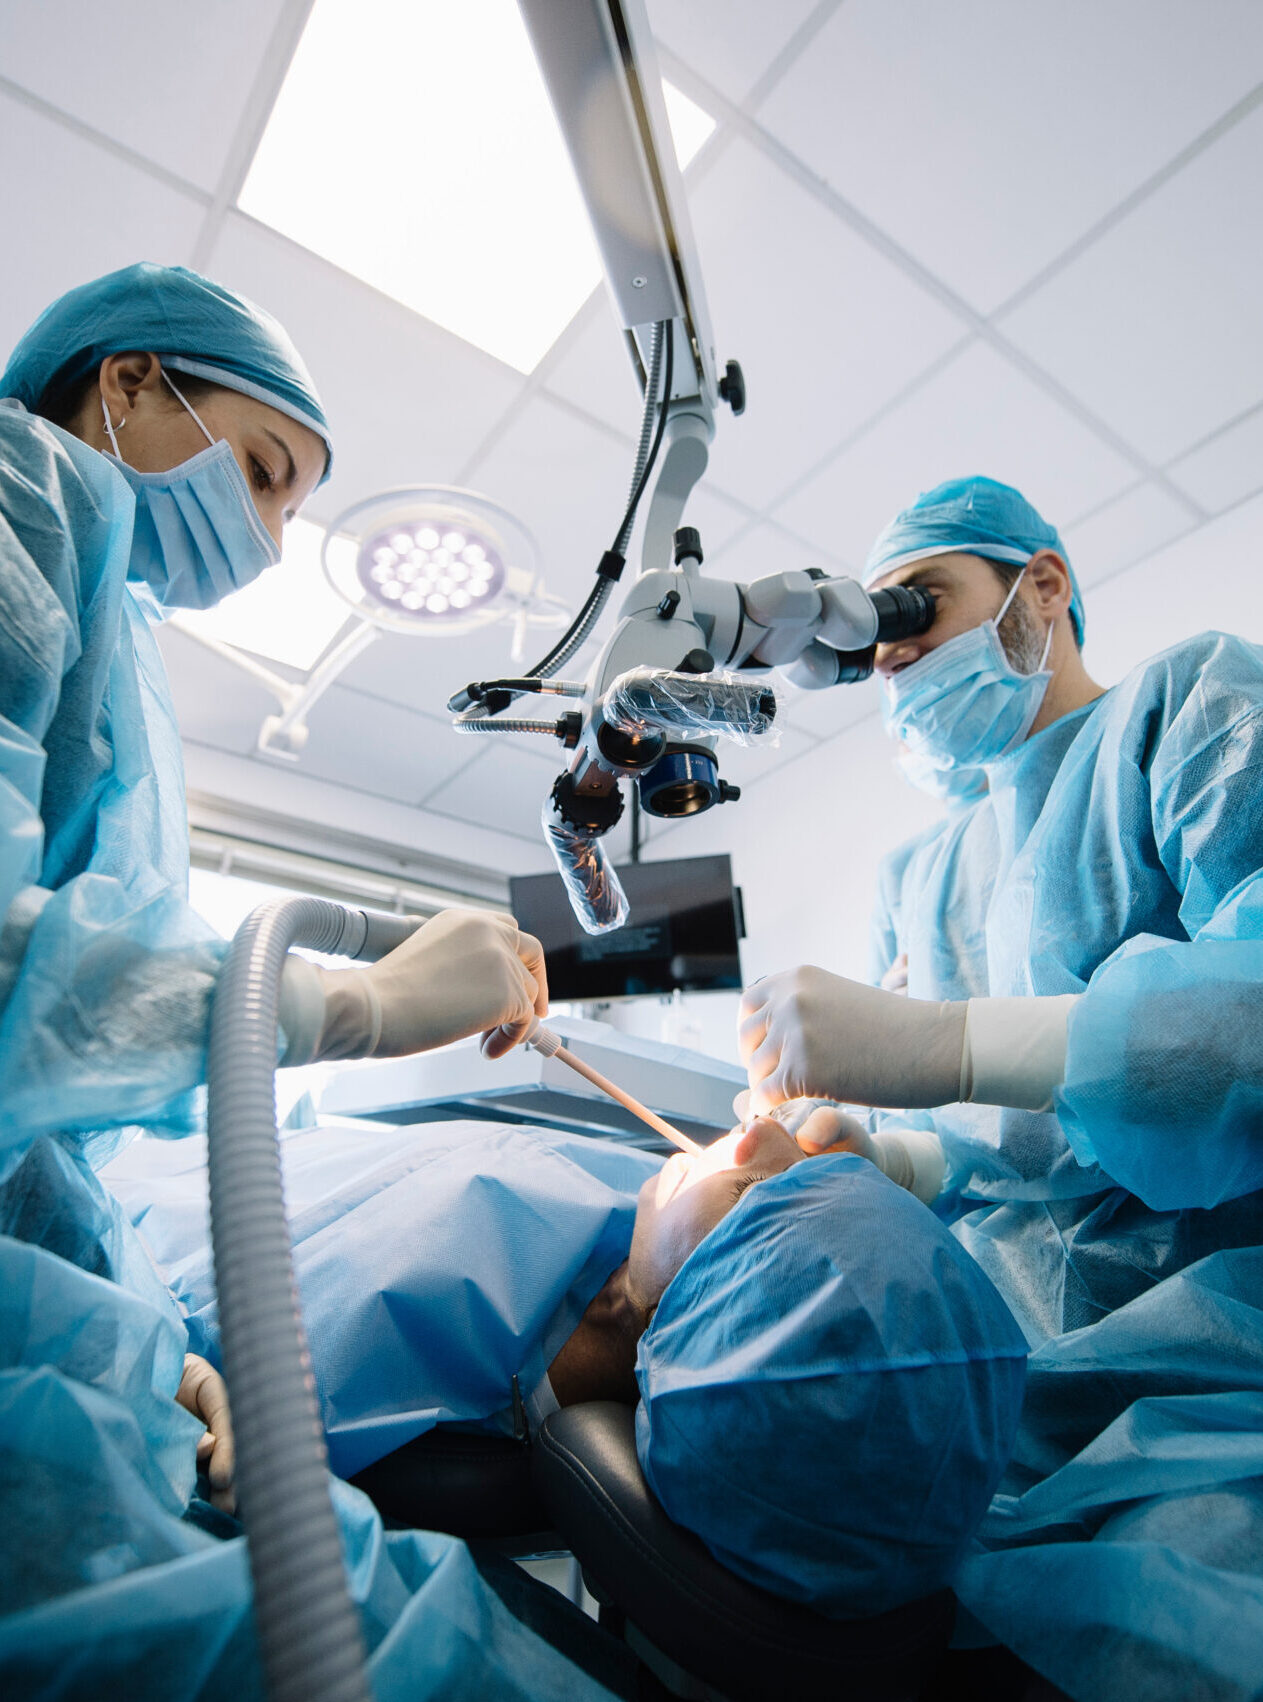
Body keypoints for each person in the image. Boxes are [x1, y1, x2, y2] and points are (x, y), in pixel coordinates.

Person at [0, 262, 623, 1701]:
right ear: (130, 380)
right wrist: (352, 1005)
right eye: (270, 473)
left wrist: (143, 1342)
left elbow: (54, 1134)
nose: (273, 536)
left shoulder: (123, 647)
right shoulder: (22, 492)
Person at [737, 476, 1263, 1701]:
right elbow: (986, 1148)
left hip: (1209, 1354)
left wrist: (949, 1042)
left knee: (1170, 1621)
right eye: (873, 642)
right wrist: (890, 1159)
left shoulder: (1192, 705)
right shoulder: (918, 875)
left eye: (917, 604)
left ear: (1041, 586)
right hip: (989, 1349)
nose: (897, 652)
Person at [102, 1105, 1027, 1622]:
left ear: (698, 1327)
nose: (756, 1133)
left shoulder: (392, 1381)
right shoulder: (633, 1229)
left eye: (755, 1190)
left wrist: (156, 1364)